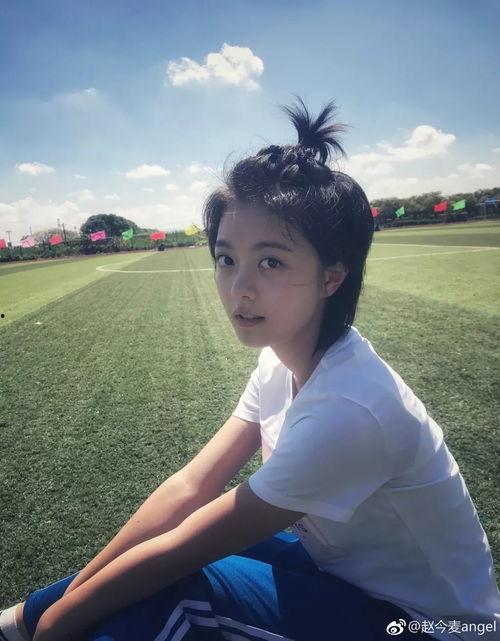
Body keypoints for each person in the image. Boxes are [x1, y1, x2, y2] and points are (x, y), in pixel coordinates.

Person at [1, 96, 499, 641]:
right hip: (346, 575)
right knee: (127, 574)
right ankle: (15, 623)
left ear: (332, 276)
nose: (239, 287)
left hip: (433, 625)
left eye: (271, 261)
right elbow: (191, 487)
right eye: (226, 258)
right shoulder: (277, 361)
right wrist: (59, 607)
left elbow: (180, 552)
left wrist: (63, 624)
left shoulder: (350, 410)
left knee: (176, 586)